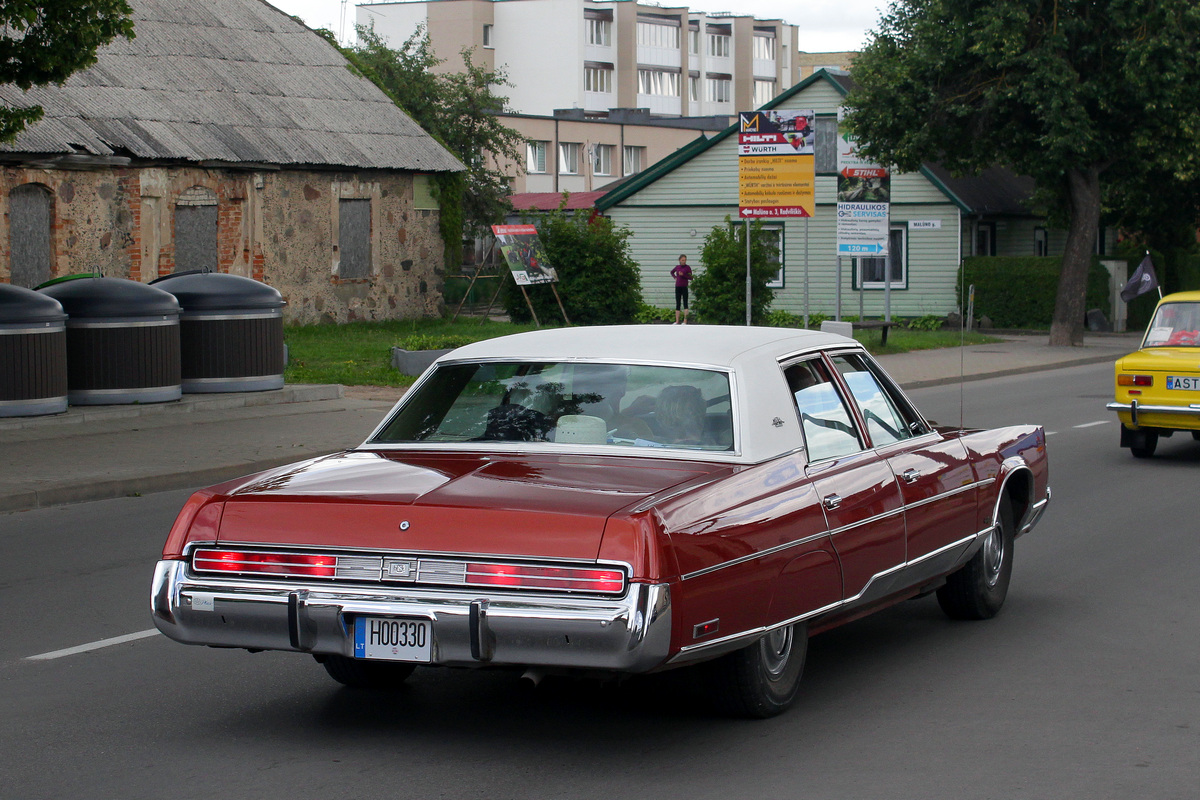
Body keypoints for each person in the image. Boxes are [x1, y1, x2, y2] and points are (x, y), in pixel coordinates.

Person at [671, 254, 692, 324]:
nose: (684, 261)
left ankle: (685, 320)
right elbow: (672, 272)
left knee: (685, 303)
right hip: (678, 286)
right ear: (680, 260)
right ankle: (677, 320)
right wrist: (675, 277)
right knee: (678, 303)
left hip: (684, 286)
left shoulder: (687, 267)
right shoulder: (677, 267)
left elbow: (691, 277)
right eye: (683, 260)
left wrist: (684, 275)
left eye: (685, 260)